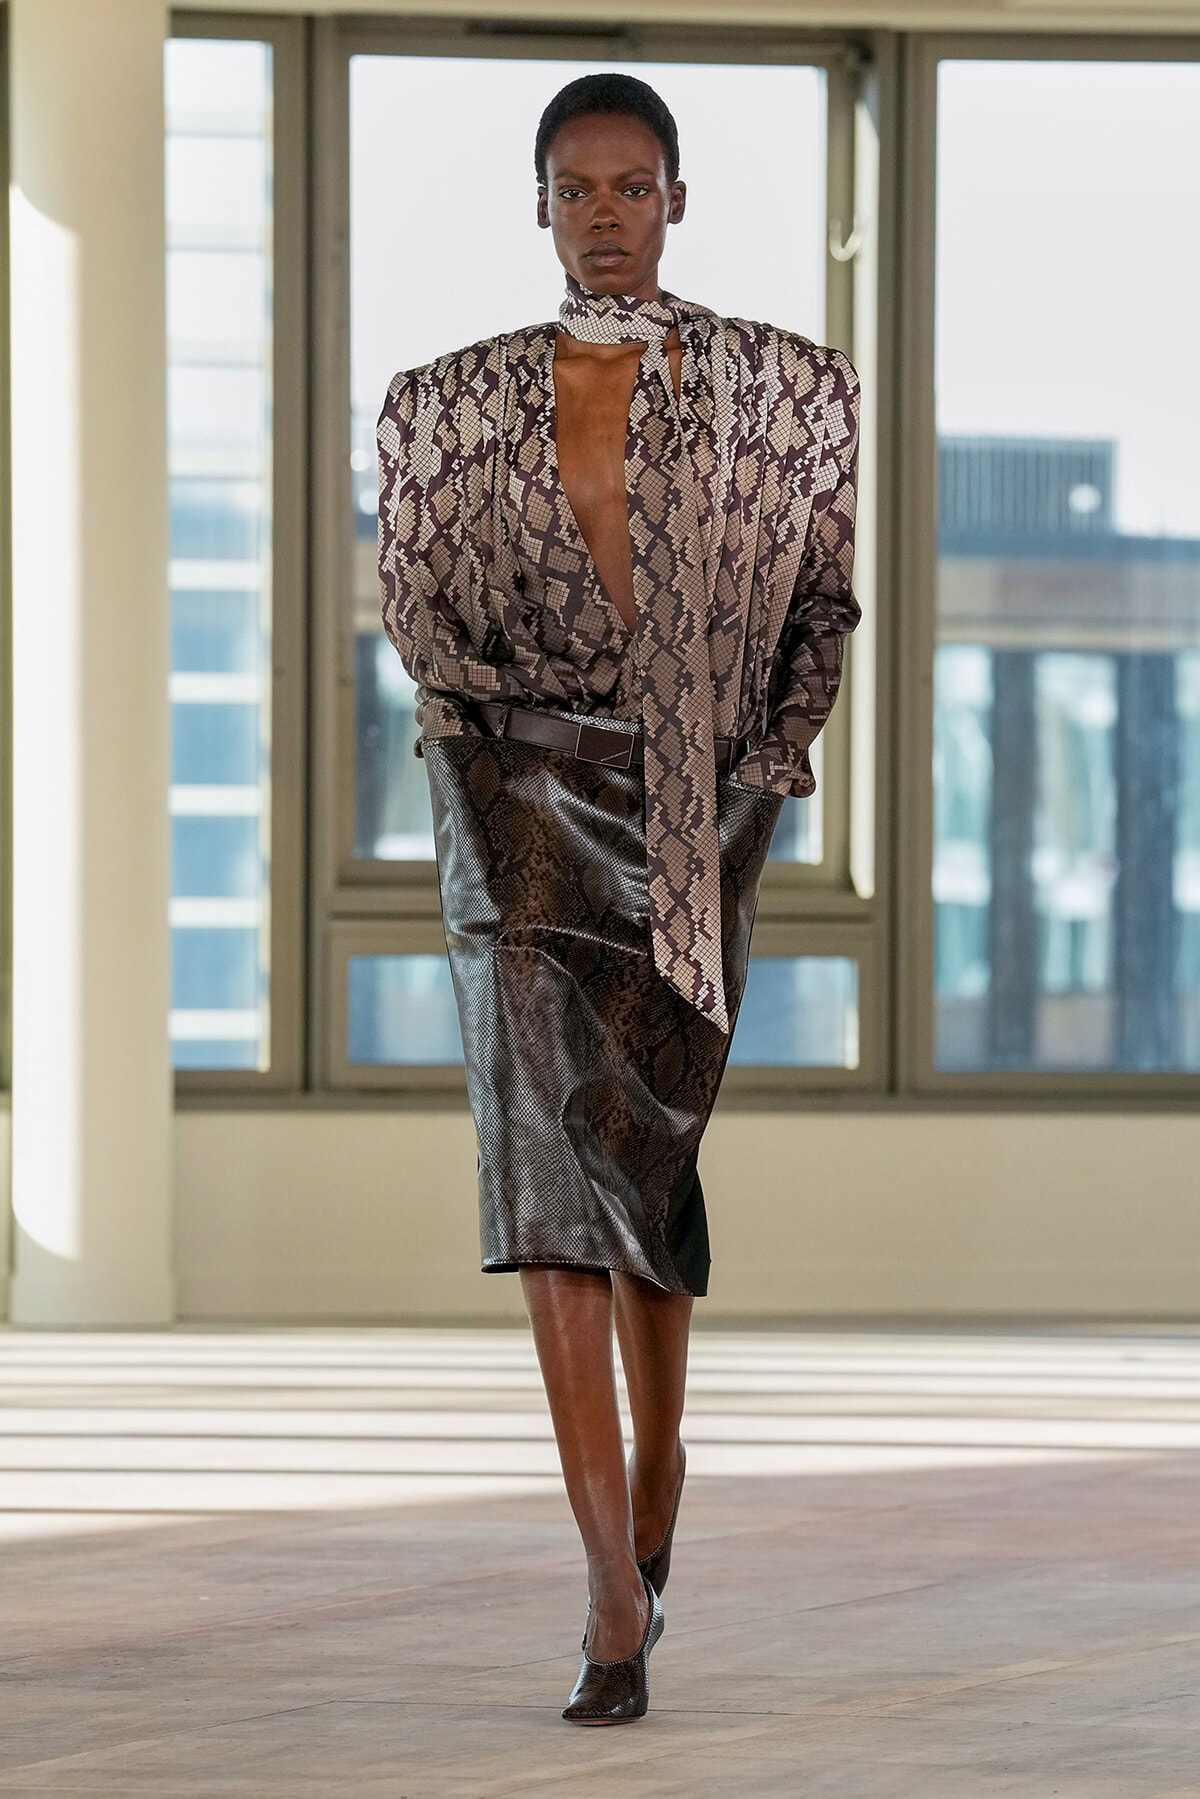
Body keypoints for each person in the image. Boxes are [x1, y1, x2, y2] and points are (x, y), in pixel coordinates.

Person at [377, 71, 861, 1725]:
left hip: (693, 810)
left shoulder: (786, 394)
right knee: (544, 1175)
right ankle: (604, 1586)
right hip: (513, 799)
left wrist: (759, 770)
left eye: (633, 184)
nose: (605, 211)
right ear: (539, 205)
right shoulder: (447, 405)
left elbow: (819, 612)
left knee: (642, 1167)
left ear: (676, 197)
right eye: (576, 187)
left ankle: (664, 1465)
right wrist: (477, 768)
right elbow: (422, 615)